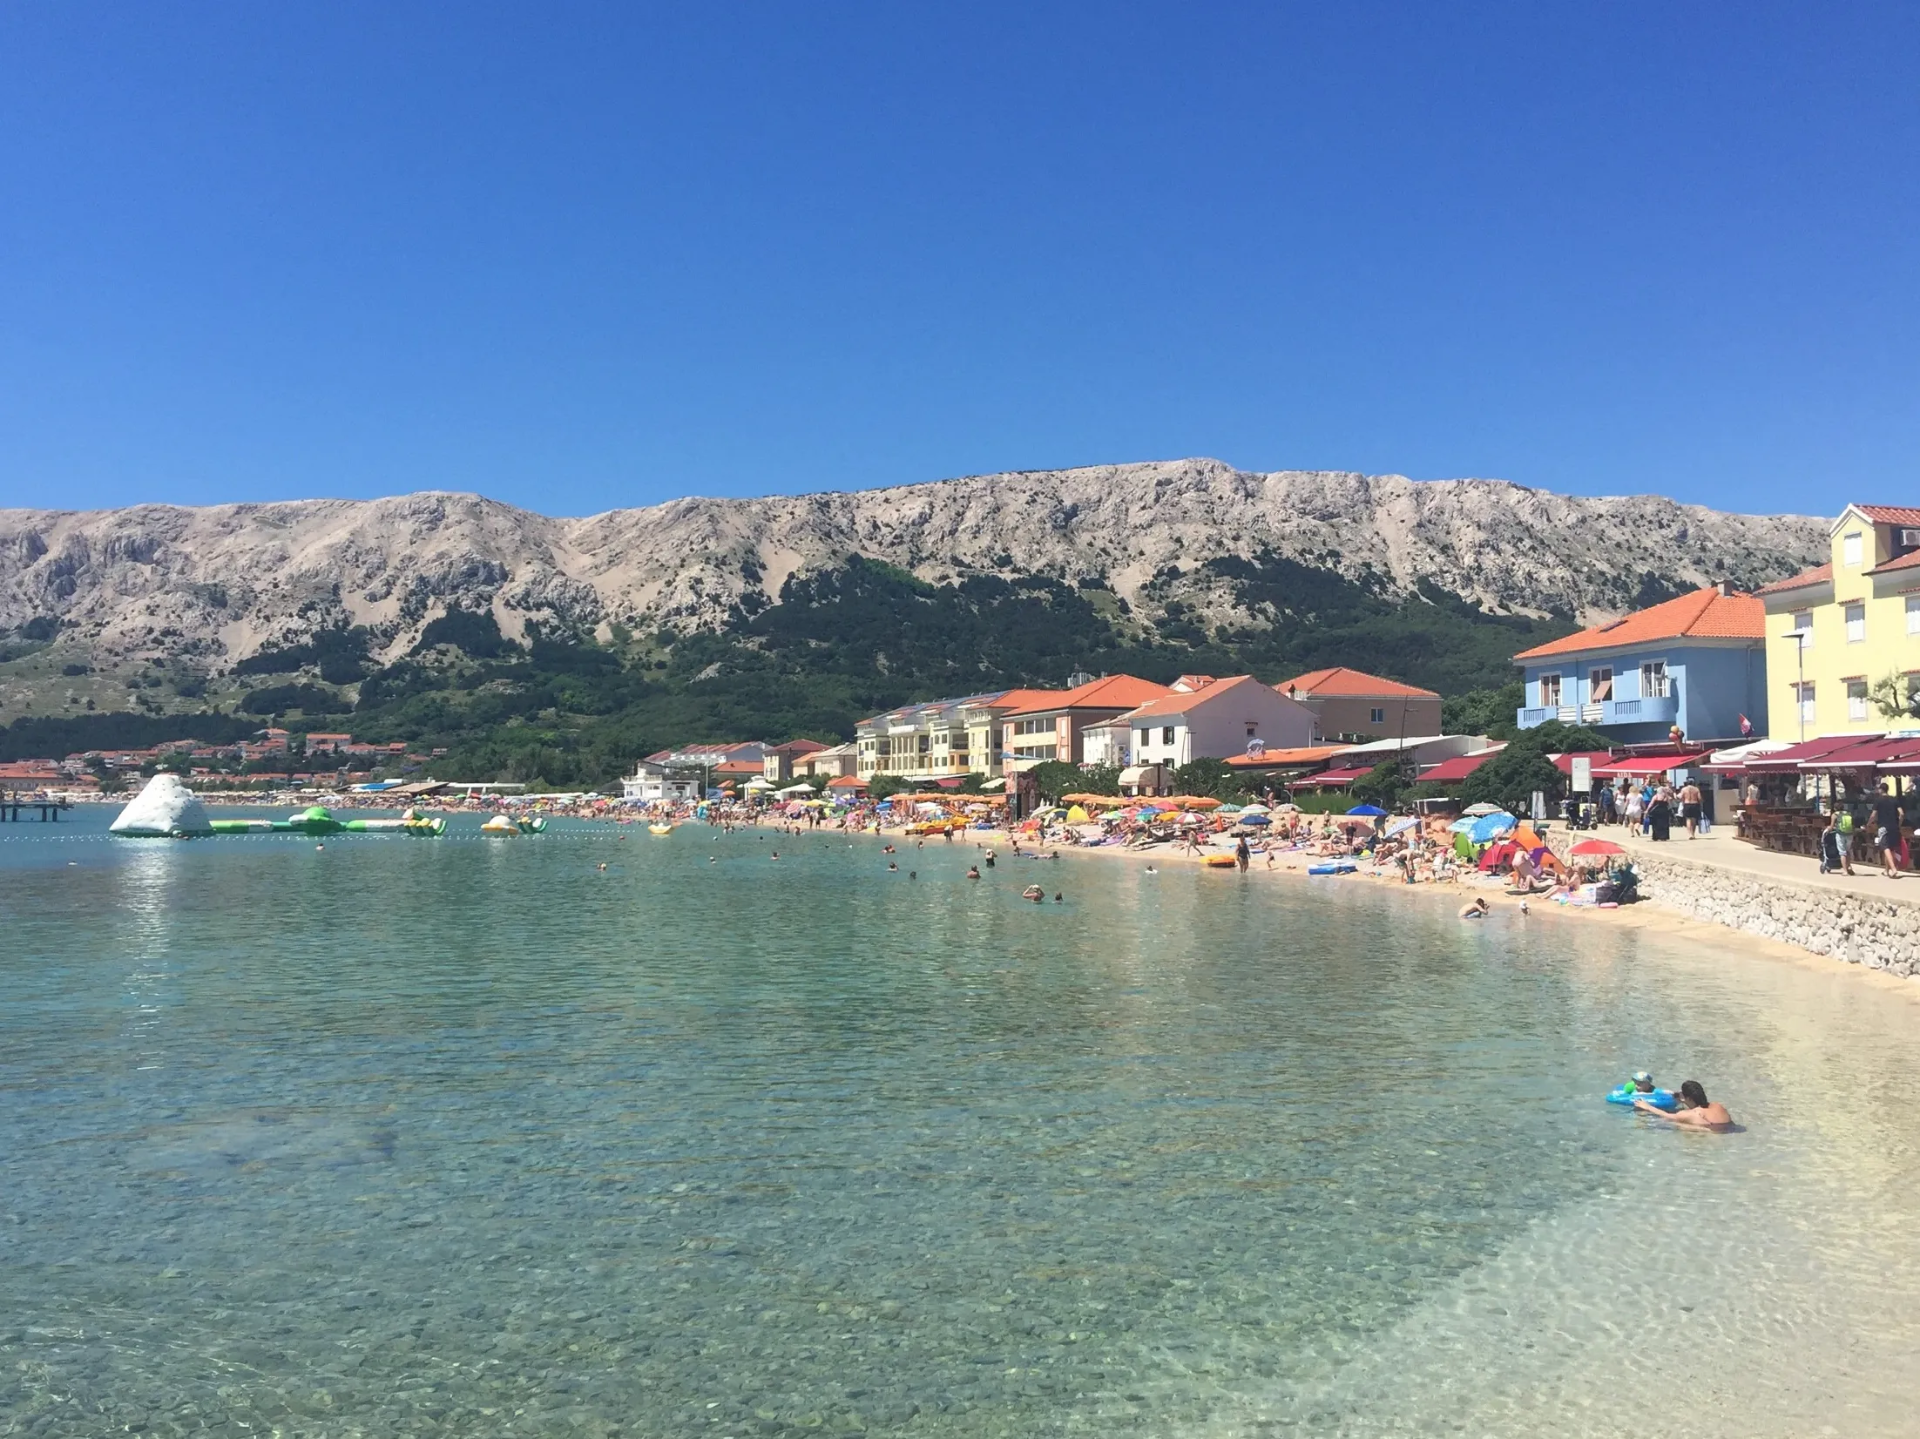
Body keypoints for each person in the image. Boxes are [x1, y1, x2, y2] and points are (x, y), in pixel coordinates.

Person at [1635, 1079, 1733, 1129]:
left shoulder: (1689, 1114)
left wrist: (1647, 1106)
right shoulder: (1717, 1105)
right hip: (1727, 1129)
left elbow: (1666, 1115)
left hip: (1708, 1132)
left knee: (1670, 1123)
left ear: (1688, 1098)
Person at [1871, 784, 1903, 879]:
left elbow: (1873, 815)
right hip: (1894, 826)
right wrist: (1899, 824)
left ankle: (1893, 869)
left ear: (1881, 790)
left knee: (1885, 848)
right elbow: (1901, 813)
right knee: (1891, 849)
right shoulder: (1894, 800)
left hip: (1883, 826)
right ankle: (1886, 870)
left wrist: (1869, 823)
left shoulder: (1878, 800)